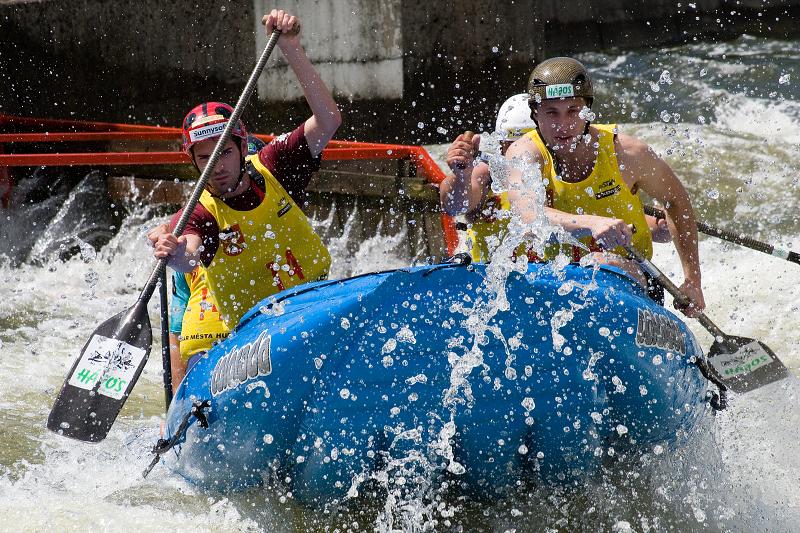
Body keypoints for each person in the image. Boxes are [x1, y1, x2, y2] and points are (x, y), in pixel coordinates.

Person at [151, 10, 341, 338]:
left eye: (224, 152)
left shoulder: (276, 164)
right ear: (193, 161)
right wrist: (176, 251)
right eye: (205, 157)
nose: (217, 166)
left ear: (242, 148)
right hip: (252, 335)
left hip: (314, 306)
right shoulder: (199, 211)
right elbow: (189, 256)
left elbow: (328, 120)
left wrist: (292, 47)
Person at [498, 57, 703, 316]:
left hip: (632, 284)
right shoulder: (523, 153)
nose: (563, 125)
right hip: (552, 285)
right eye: (552, 113)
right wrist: (593, 223)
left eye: (573, 111)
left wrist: (692, 281)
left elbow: (676, 201)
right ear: (535, 114)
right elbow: (527, 213)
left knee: (596, 262)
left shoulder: (628, 154)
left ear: (588, 111)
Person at [442, 92, 672, 265]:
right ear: (501, 145)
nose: (521, 155)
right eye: (511, 145)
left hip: (560, 286)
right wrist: (461, 175)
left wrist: (659, 228)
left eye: (530, 145)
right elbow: (454, 206)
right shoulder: (486, 175)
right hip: (498, 286)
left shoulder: (571, 175)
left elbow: (621, 221)